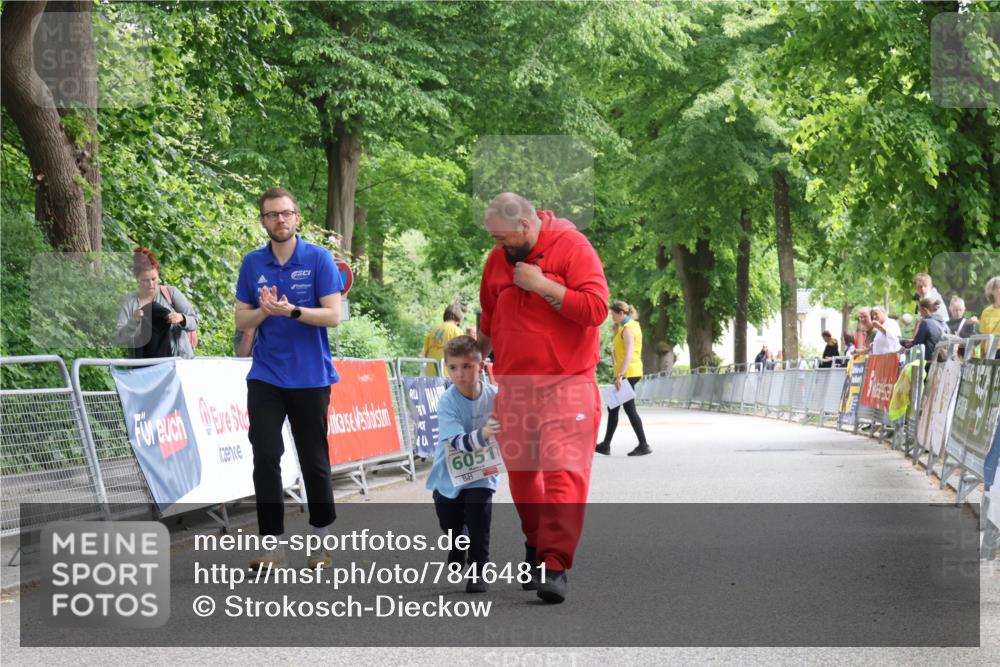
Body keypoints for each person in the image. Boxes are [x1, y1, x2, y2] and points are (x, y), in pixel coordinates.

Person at [478, 192, 608, 604]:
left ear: (525, 226)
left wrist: (542, 285)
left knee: (562, 472)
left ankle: (555, 564)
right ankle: (535, 543)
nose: (498, 248)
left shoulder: (574, 247)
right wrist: (472, 364)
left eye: (502, 239)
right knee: (521, 473)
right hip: (514, 386)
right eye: (494, 240)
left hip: (566, 381)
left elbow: (596, 308)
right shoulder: (496, 260)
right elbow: (488, 318)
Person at [235, 187, 344, 569]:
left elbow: (333, 315)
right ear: (263, 220)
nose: (279, 220)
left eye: (286, 213)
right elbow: (241, 318)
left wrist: (293, 311)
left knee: (314, 460)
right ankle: (272, 546)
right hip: (266, 375)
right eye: (271, 214)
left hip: (311, 376)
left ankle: (321, 542)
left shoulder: (317, 259)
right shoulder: (252, 263)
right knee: (266, 457)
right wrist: (265, 312)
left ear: (297, 217)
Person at [425, 336, 500, 594]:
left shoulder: (496, 397)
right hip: (449, 471)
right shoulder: (447, 401)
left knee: (479, 514)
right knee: (449, 521)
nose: (460, 374)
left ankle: (479, 569)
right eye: (453, 367)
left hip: (482, 470)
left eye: (467, 366)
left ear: (481, 366)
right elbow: (456, 442)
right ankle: (458, 541)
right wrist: (485, 433)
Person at [115, 247, 199, 359]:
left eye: (154, 279)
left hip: (178, 363)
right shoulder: (129, 302)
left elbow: (195, 321)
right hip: (144, 367)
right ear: (137, 279)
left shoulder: (170, 293)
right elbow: (119, 338)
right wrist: (133, 321)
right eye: (146, 280)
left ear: (158, 275)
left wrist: (181, 318)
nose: (151, 284)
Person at [596, 301, 650, 456]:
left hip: (628, 373)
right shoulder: (627, 327)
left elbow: (630, 353)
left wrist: (620, 375)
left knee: (628, 408)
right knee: (613, 407)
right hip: (626, 372)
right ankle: (606, 444)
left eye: (613, 314)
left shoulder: (627, 329)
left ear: (621, 313)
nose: (612, 317)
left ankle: (643, 445)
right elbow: (622, 350)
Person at [422, 303, 465, 376]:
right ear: (459, 317)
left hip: (430, 374)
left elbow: (425, 354)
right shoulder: (457, 331)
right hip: (447, 375)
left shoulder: (432, 331)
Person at [904, 297, 947, 362]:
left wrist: (905, 343)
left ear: (924, 310)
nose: (920, 314)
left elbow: (917, 344)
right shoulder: (944, 323)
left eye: (920, 311)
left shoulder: (926, 323)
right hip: (941, 362)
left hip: (927, 363)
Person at [980, 276, 1000, 358]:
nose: (999, 290)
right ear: (991, 290)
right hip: (990, 353)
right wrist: (982, 355)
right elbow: (983, 336)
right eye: (997, 288)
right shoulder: (986, 312)